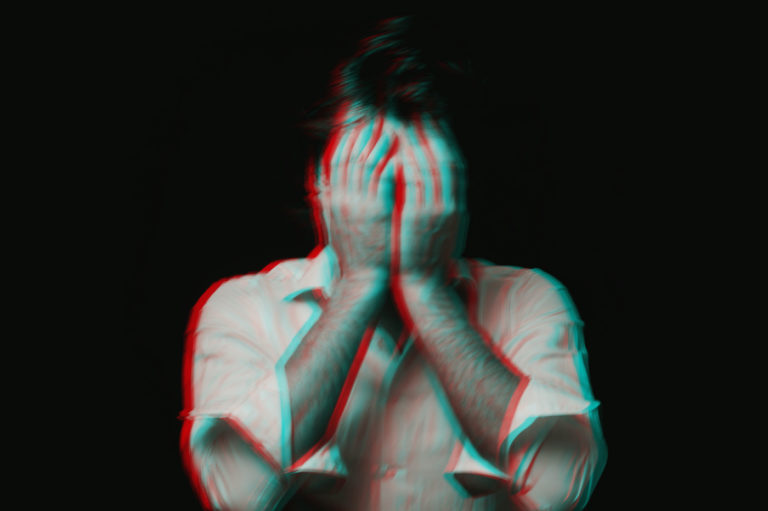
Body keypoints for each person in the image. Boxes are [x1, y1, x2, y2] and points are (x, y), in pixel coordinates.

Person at [180, 16, 607, 510]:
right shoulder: (240, 307)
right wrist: (358, 286)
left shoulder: (529, 299)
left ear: (456, 190)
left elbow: (559, 490)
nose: (391, 202)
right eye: (367, 174)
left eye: (420, 179)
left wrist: (426, 293)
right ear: (319, 182)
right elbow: (234, 496)